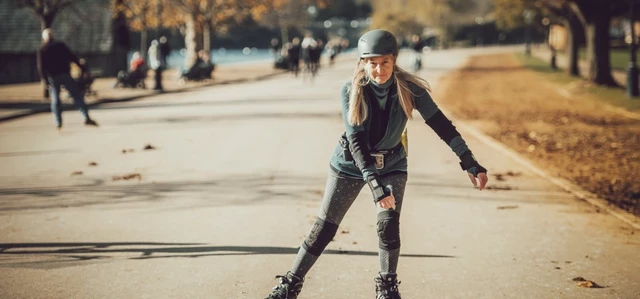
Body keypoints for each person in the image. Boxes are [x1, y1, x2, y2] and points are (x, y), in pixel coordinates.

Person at [264, 29, 488, 299]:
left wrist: (469, 161)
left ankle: (387, 288)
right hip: (350, 165)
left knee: (388, 225)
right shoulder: (352, 90)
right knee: (323, 229)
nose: (378, 69)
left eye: (384, 62)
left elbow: (441, 124)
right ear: (362, 63)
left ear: (394, 60)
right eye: (372, 63)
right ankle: (289, 286)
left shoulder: (409, 89)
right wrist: (374, 185)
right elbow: (356, 142)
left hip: (392, 162)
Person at [37, 28, 98, 130]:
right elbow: (73, 57)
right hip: (64, 74)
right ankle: (86, 116)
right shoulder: (60, 46)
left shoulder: (43, 49)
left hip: (53, 77)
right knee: (77, 96)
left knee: (56, 99)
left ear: (44, 38)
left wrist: (45, 80)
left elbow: (41, 67)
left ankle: (58, 122)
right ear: (53, 36)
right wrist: (83, 69)